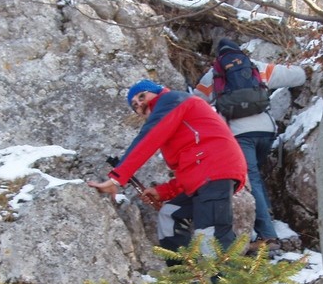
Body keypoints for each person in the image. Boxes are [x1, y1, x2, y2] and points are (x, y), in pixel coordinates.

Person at [89, 79, 247, 256]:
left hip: (215, 171)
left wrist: (117, 178)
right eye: (134, 105)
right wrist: (163, 192)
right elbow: (192, 168)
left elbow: (148, 138)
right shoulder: (178, 119)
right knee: (170, 214)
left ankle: (223, 282)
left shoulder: (172, 99)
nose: (139, 104)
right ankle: (185, 278)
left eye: (142, 96)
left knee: (211, 236)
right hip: (207, 172)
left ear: (158, 92)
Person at [194, 38, 306, 253]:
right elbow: (299, 76)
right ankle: (267, 213)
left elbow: (196, 102)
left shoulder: (214, 75)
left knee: (251, 178)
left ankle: (268, 235)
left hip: (238, 133)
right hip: (266, 130)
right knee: (256, 175)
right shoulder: (256, 67)